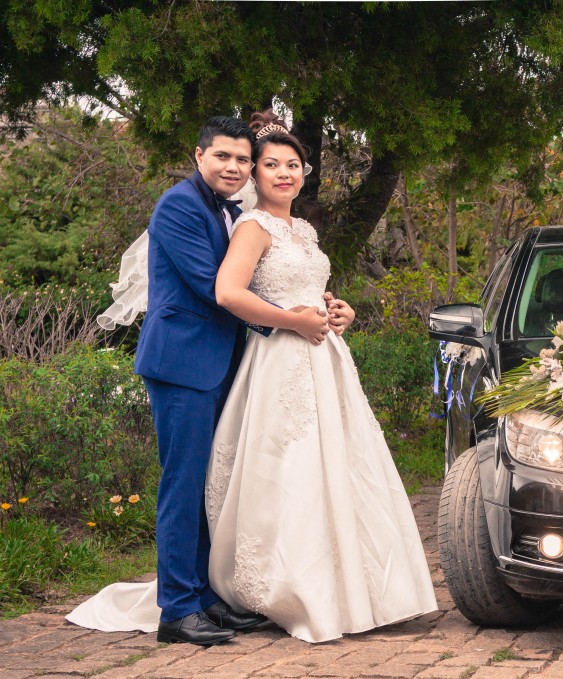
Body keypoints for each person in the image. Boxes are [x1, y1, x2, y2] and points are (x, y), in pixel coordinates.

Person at [67, 116, 355, 645]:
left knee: (211, 484)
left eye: (243, 159)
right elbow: (214, 286)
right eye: (224, 156)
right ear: (199, 156)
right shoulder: (179, 205)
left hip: (224, 362)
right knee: (183, 482)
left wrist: (318, 305)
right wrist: (295, 316)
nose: (234, 166)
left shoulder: (229, 211)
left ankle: (206, 597)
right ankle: (177, 610)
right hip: (181, 363)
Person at [203, 110, 437, 642]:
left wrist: (336, 311)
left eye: (293, 164)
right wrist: (292, 321)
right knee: (291, 468)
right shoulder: (253, 226)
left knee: (340, 466)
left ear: (305, 173)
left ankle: (359, 589)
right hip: (281, 360)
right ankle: (297, 590)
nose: (284, 173)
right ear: (255, 175)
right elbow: (229, 294)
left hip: (323, 356)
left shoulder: (302, 229)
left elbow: (309, 289)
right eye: (271, 165)